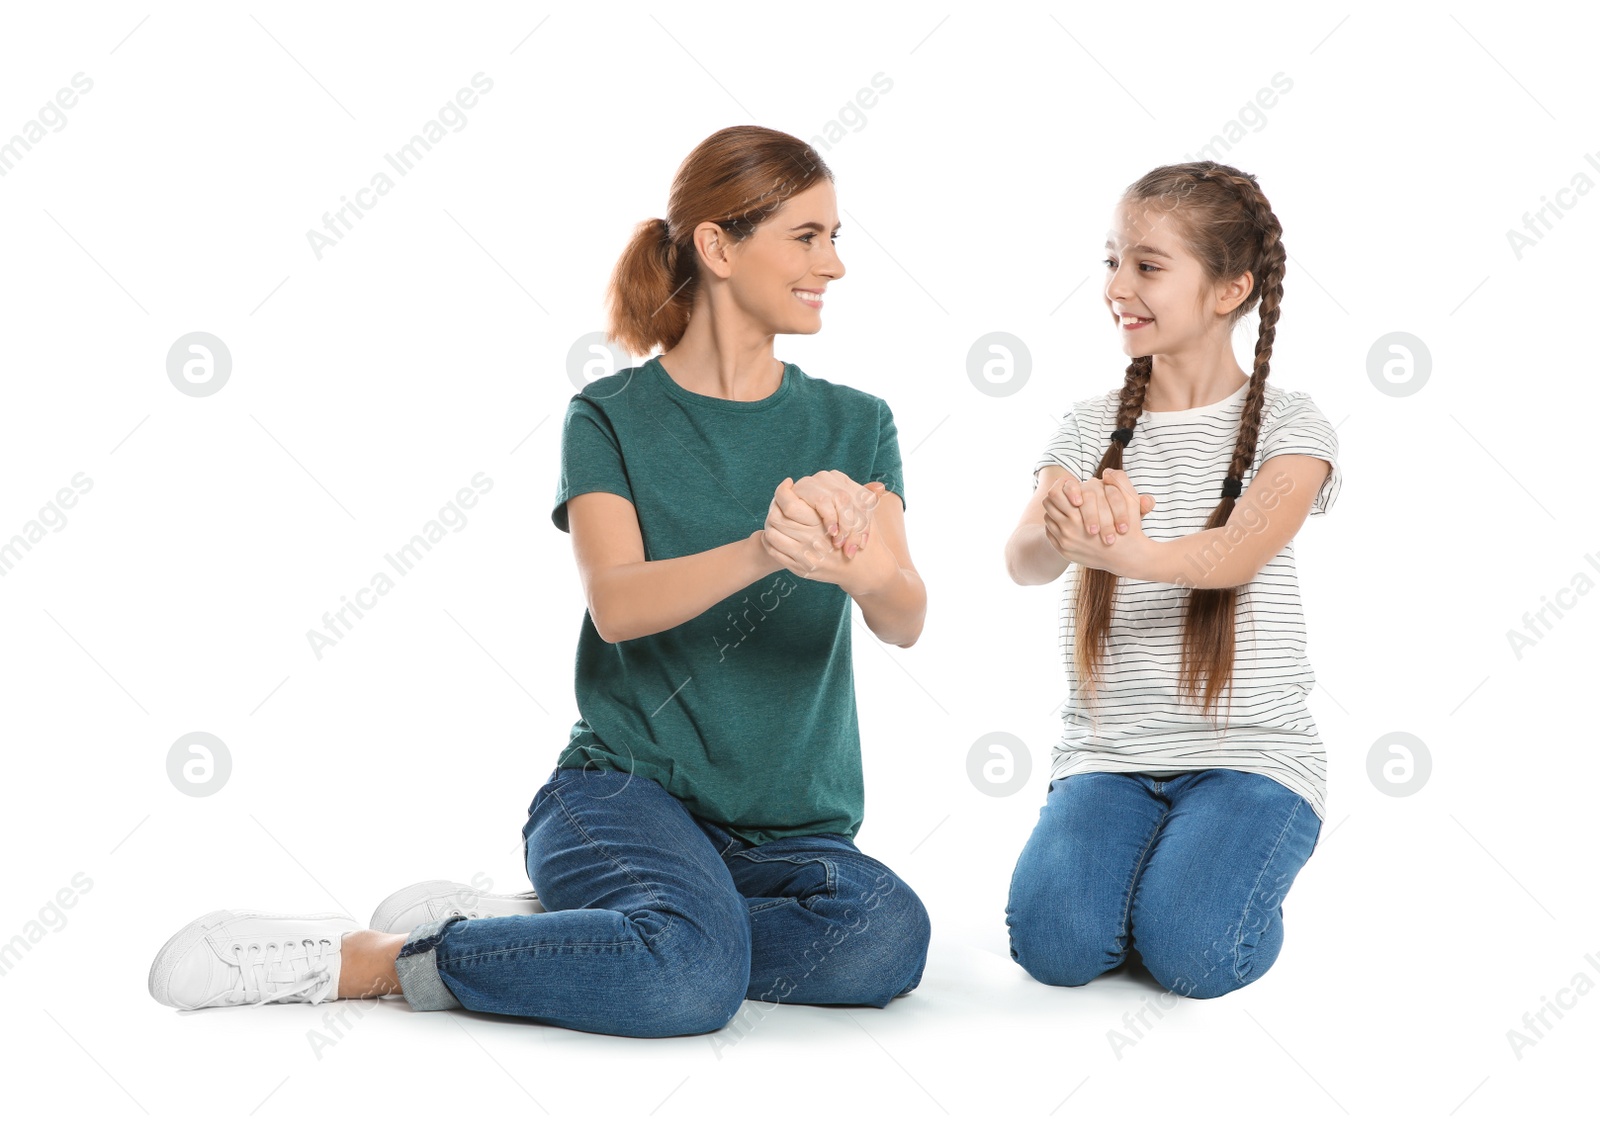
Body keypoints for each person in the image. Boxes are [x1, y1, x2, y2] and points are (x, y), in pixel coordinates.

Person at [148, 126, 932, 1036]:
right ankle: (374, 961)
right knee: (688, 982)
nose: (833, 265)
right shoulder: (610, 415)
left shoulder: (857, 422)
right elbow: (620, 604)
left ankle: (584, 934)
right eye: (808, 236)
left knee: (886, 938)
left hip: (792, 831)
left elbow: (905, 616)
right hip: (621, 798)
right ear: (718, 246)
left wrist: (863, 568)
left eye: (837, 238)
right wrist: (767, 549)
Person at [1002, 162, 1342, 999]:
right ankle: (1163, 871)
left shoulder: (1291, 425)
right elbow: (1022, 560)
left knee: (1192, 957)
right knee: (1053, 948)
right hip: (1109, 755)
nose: (1117, 285)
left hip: (1250, 759)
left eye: (1147, 265)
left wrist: (1124, 552)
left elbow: (1235, 552)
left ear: (1230, 289)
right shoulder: (1088, 426)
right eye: (1113, 260)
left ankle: (1206, 879)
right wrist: (1069, 530)